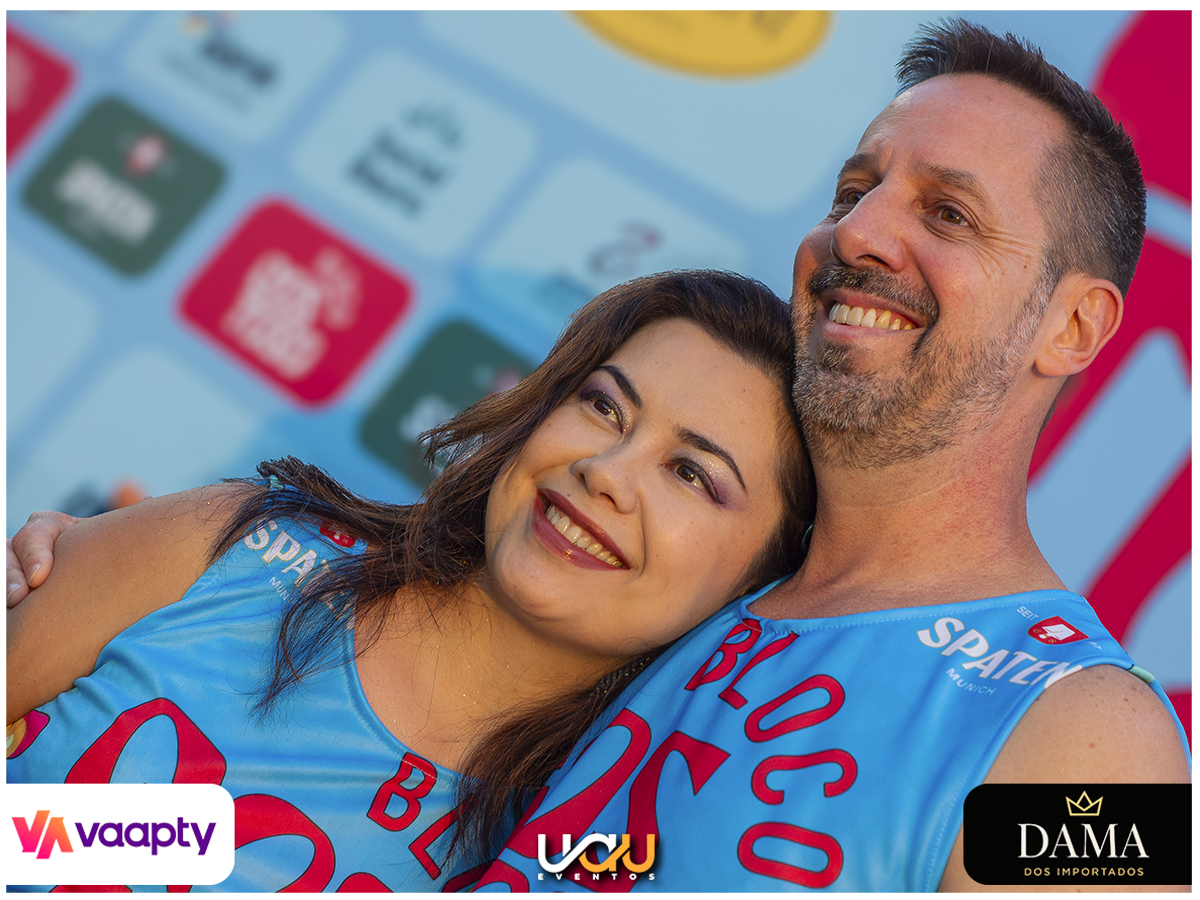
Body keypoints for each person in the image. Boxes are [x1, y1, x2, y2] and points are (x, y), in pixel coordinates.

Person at [456, 20, 1189, 892]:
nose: (856, 233)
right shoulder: (687, 575)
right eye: (852, 193)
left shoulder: (1094, 735)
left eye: (948, 214)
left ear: (1072, 326)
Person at [6, 270, 814, 892]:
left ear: (765, 579)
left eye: (690, 473)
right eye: (603, 407)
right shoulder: (240, 545)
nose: (605, 471)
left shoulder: (592, 857)